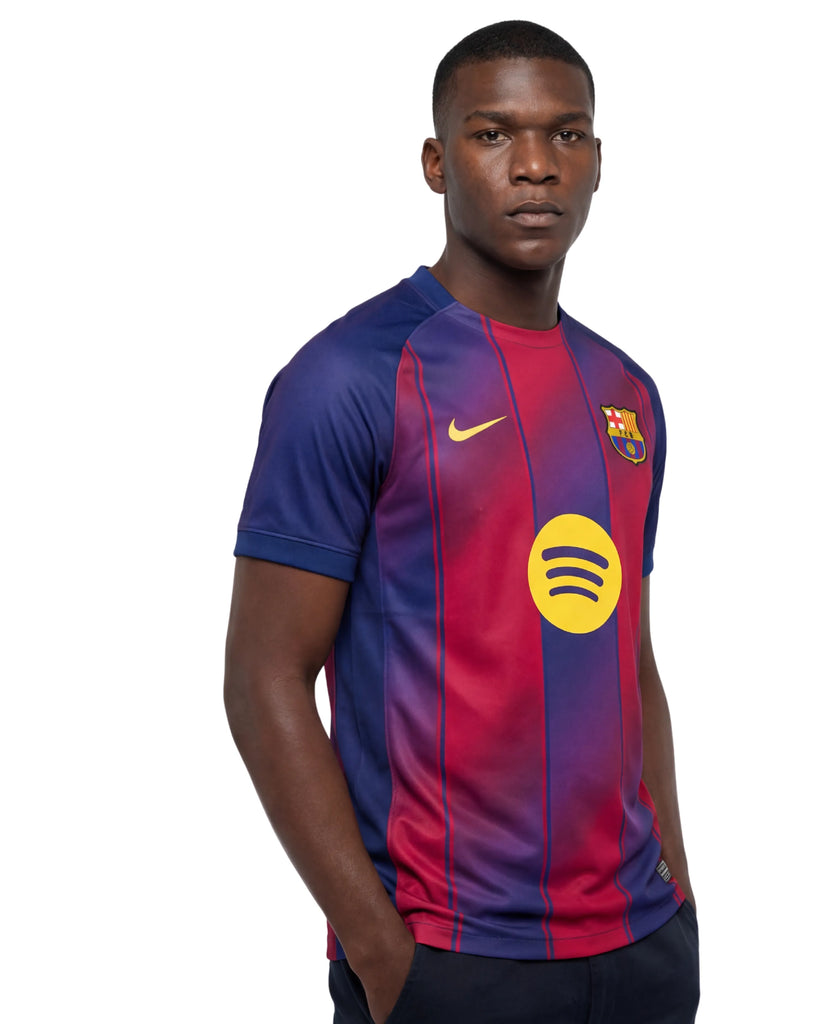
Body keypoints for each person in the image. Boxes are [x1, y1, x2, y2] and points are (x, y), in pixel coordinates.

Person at [225, 20, 699, 1024]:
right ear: (437, 163)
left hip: (642, 948)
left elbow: (630, 659)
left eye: (566, 134)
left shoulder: (628, 393)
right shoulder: (349, 377)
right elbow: (263, 678)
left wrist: (679, 885)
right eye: (493, 134)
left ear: (598, 161)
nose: (535, 165)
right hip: (447, 959)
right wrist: (381, 953)